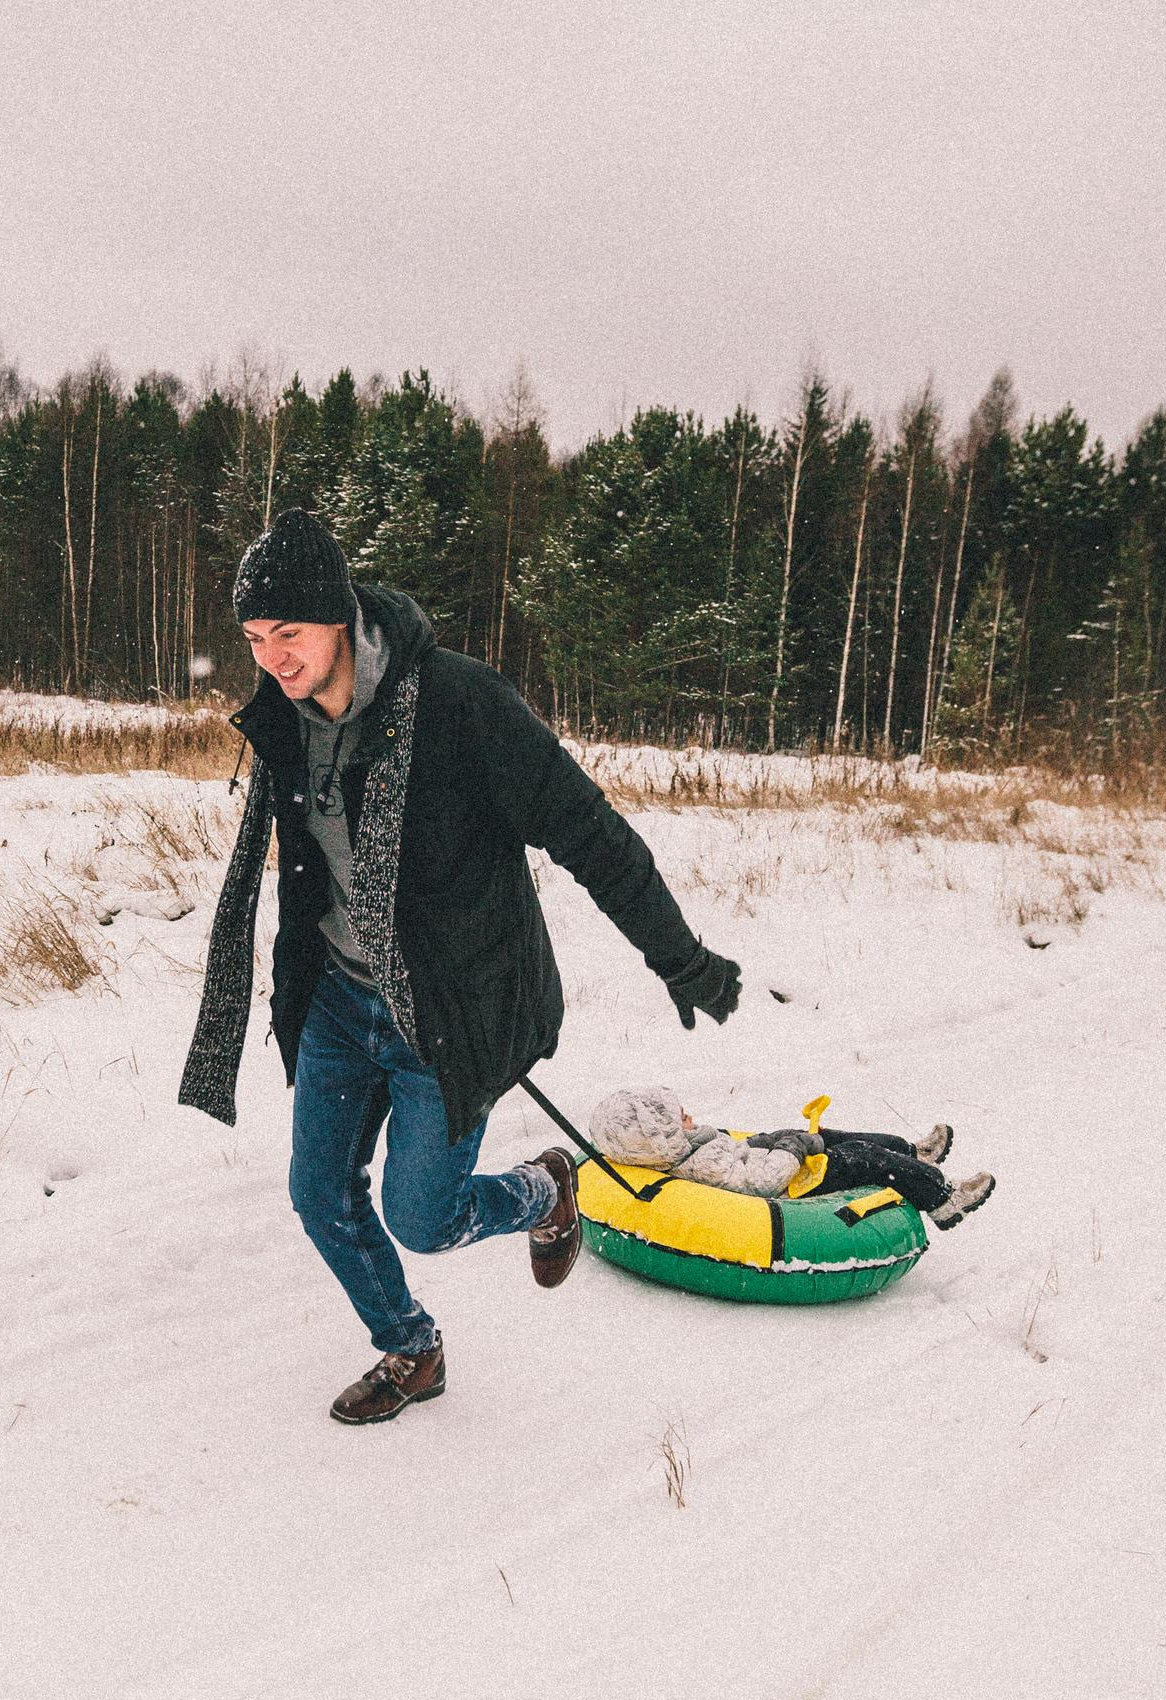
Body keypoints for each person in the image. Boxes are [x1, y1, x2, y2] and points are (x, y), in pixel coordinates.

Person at [179, 510, 743, 1425]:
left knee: (424, 1217)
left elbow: (588, 831)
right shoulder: (284, 723)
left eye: (288, 633)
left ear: (340, 615)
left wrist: (680, 957)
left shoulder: (460, 705)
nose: (272, 658)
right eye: (252, 639)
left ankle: (545, 1188)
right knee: (317, 1191)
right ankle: (411, 1348)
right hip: (336, 998)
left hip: (445, 1009)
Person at [586, 1086, 997, 1228]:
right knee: (863, 1157)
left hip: (778, 1166)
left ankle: (916, 1152)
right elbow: (760, 1183)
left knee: (832, 1135)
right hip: (791, 1189)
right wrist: (793, 1149)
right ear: (661, 1138)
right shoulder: (699, 1165)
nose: (690, 1115)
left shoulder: (688, 1148)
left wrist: (776, 1139)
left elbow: (736, 1148)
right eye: (681, 1118)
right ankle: (943, 1200)